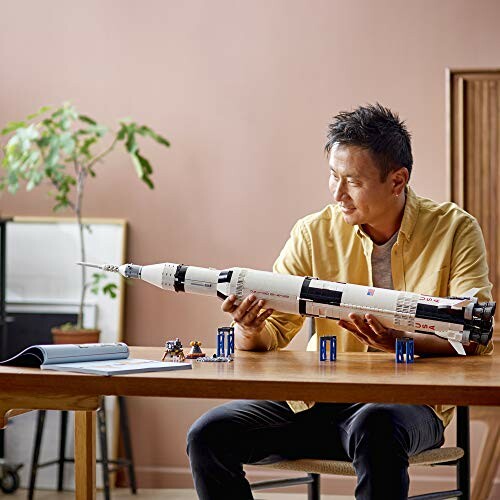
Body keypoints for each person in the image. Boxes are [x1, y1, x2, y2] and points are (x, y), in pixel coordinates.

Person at [186, 104, 493, 500]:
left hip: (407, 409)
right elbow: (273, 334)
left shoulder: (454, 229)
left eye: (352, 180)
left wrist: (400, 341)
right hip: (317, 401)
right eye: (333, 175)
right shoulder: (313, 232)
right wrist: (249, 328)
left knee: (376, 426)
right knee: (208, 435)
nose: (337, 192)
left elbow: (474, 337)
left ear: (398, 180)